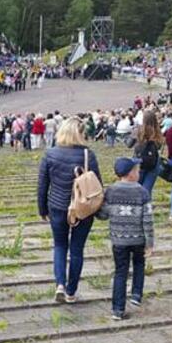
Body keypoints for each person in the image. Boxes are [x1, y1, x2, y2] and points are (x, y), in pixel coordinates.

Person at [38, 117, 102, 304]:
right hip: (82, 208)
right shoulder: (88, 155)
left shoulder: (50, 154)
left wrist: (42, 208)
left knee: (59, 246)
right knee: (76, 249)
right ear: (81, 134)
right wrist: (97, 209)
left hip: (57, 206)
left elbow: (43, 184)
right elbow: (97, 184)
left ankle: (60, 284)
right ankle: (71, 291)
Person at [98, 157, 154, 321]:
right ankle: (136, 294)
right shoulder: (142, 191)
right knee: (139, 264)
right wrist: (150, 242)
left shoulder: (111, 191)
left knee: (120, 272)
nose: (139, 173)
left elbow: (103, 214)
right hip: (138, 239)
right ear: (130, 173)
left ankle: (117, 309)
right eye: (137, 170)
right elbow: (148, 219)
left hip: (119, 240)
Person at [134, 110, 164, 197]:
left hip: (140, 160)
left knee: (137, 187)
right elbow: (159, 146)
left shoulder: (139, 130)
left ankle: (138, 206)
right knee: (147, 189)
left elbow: (129, 144)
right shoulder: (157, 132)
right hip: (154, 162)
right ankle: (146, 206)